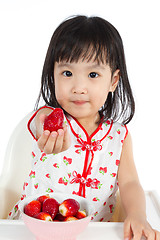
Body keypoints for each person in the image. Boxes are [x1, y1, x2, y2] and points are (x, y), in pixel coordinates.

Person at [8, 15, 159, 239]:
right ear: (53, 75)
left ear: (113, 81)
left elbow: (129, 183)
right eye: (67, 73)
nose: (79, 87)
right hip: (35, 231)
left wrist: (137, 214)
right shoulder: (48, 118)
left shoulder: (119, 136)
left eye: (93, 74)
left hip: (94, 234)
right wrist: (49, 131)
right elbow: (41, 123)